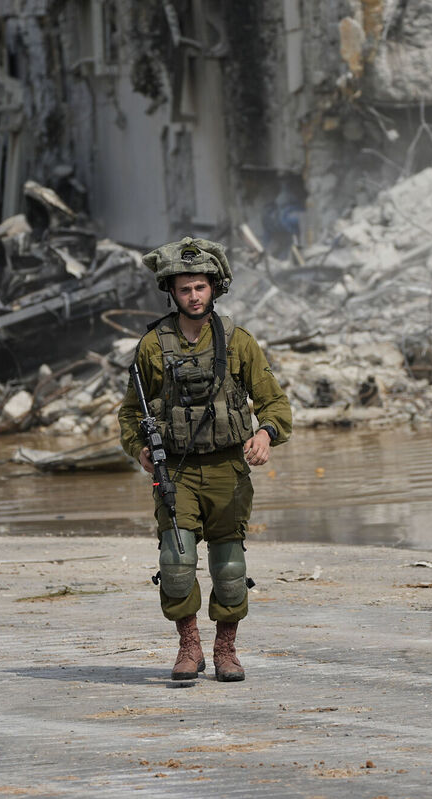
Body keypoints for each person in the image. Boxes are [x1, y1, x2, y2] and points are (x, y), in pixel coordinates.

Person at [118, 236, 292, 682]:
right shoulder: (153, 347)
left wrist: (266, 435)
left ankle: (226, 649)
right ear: (171, 293)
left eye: (199, 287)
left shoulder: (238, 342)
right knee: (176, 563)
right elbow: (131, 412)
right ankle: (189, 645)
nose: (193, 296)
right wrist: (139, 447)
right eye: (184, 289)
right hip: (174, 469)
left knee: (230, 567)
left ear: (214, 287)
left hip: (227, 469)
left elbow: (275, 404)